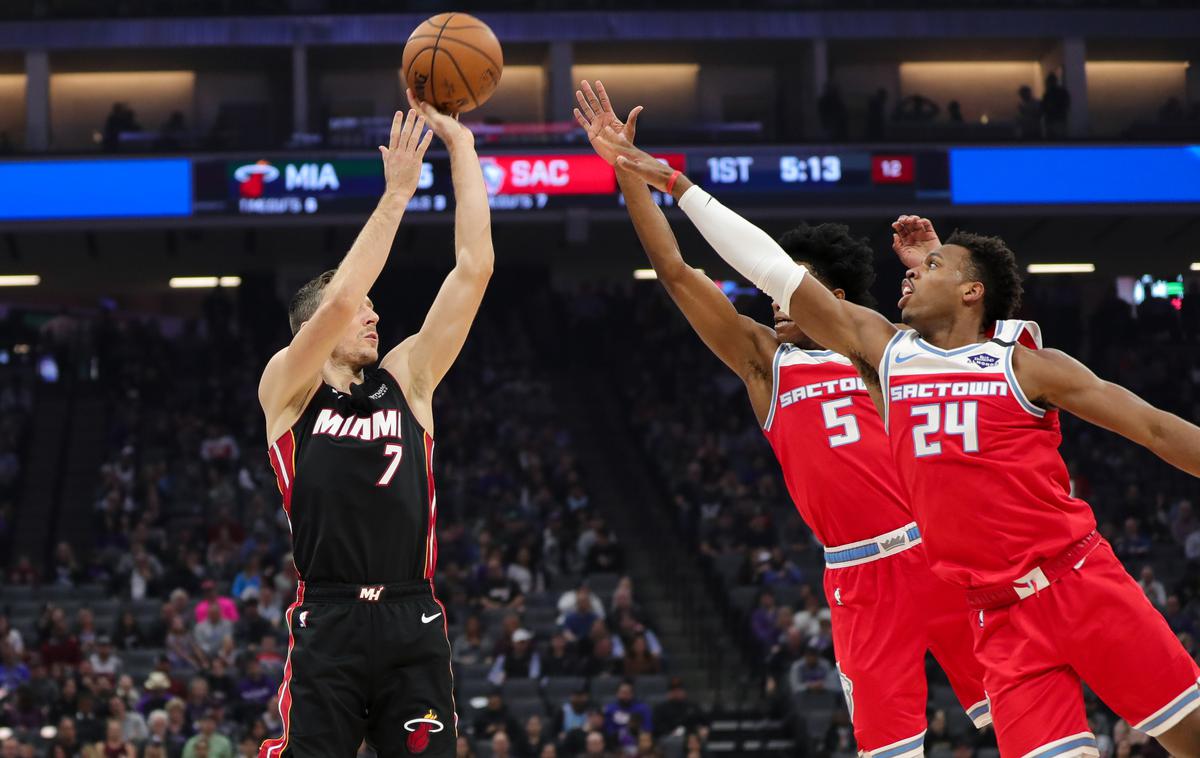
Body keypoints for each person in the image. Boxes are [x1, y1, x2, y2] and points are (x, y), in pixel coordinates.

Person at [608, 103, 1200, 753]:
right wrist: (665, 181)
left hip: (1019, 570)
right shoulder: (867, 355)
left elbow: (1146, 425)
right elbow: (751, 267)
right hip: (946, 596)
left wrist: (937, 265)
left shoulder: (997, 360)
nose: (910, 275)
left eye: (932, 269)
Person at [574, 79, 991, 756]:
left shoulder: (877, 348)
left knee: (1020, 713)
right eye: (769, 288)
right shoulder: (765, 365)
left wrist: (936, 260)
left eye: (784, 286)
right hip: (857, 575)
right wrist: (628, 172)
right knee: (889, 749)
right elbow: (676, 271)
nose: (771, 299)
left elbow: (967, 358)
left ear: (831, 296)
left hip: (935, 549)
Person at [256, 92, 493, 757]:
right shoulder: (288, 389)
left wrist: (463, 151)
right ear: (312, 329)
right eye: (364, 308)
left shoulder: (406, 382)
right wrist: (395, 197)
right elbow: (335, 304)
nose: (373, 317)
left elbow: (475, 271)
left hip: (411, 614)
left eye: (374, 309)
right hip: (328, 617)